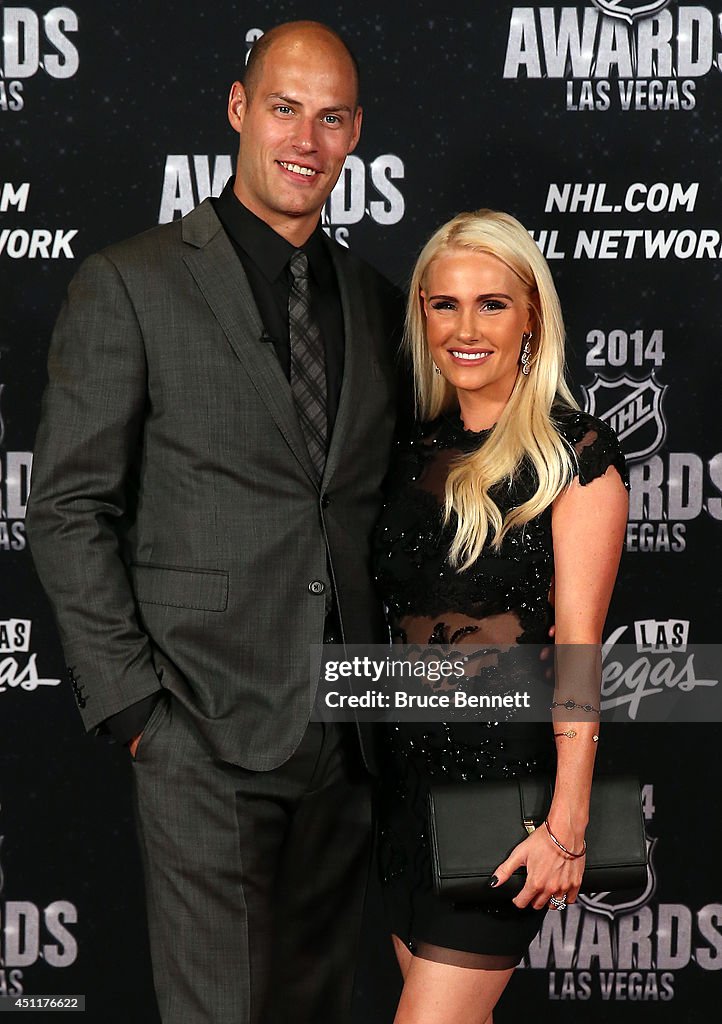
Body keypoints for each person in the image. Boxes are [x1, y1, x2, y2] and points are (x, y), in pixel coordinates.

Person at [26, 21, 402, 1024]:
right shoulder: (131, 282)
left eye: (330, 118)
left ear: (355, 132)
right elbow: (67, 504)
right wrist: (140, 712)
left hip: (348, 736)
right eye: (284, 108)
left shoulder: (375, 302)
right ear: (238, 110)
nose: (305, 139)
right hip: (198, 727)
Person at [372, 209, 629, 1023]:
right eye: (444, 304)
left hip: (505, 799)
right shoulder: (404, 451)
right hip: (399, 794)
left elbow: (580, 653)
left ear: (532, 317)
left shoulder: (573, 454)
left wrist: (567, 825)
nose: (465, 328)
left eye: (491, 303)